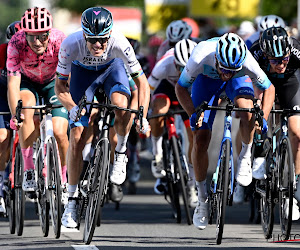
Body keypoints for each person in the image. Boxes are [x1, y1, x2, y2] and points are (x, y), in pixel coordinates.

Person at [55, 7, 150, 228]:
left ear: (110, 35)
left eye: (103, 40)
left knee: (121, 105)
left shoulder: (120, 42)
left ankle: (120, 153)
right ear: (84, 35)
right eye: (93, 40)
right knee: (77, 135)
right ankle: (71, 201)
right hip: (82, 74)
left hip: (111, 70)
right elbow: (60, 86)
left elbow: (142, 83)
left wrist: (143, 114)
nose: (98, 45)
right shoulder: (70, 44)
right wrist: (71, 108)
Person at [175, 33, 275, 230]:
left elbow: (269, 88)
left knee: (247, 111)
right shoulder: (200, 55)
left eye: (232, 70)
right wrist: (193, 113)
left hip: (238, 83)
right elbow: (181, 88)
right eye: (224, 69)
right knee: (201, 138)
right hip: (206, 82)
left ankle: (245, 156)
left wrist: (263, 116)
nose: (227, 73)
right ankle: (202, 199)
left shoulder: (245, 58)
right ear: (217, 59)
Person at [7, 7, 69, 192]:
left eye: (42, 36)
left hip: (53, 82)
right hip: (27, 82)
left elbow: (69, 77)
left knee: (59, 132)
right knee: (25, 108)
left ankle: (64, 176)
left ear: (49, 32)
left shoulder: (60, 41)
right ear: (24, 33)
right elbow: (13, 84)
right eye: (31, 36)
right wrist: (15, 115)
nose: (37, 41)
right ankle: (28, 169)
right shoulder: (16, 43)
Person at [248, 27, 300, 220]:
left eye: (284, 59)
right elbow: (247, 81)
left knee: (297, 132)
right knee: (259, 112)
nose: (281, 64)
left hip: (289, 83)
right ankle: (260, 151)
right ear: (266, 54)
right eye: (275, 60)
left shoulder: (295, 49)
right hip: (263, 81)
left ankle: (293, 190)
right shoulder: (255, 53)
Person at [148, 38, 198, 207]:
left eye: (187, 68)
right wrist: (147, 114)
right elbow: (149, 90)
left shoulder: (201, 64)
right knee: (158, 113)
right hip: (166, 88)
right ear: (174, 63)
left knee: (195, 135)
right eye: (180, 68)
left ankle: (192, 184)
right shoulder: (164, 64)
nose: (182, 71)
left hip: (189, 91)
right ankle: (158, 154)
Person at [0, 21, 22, 215]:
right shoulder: (2, 52)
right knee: (3, 138)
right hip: (1, 95)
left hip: (20, 94)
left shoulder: (31, 53)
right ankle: (1, 181)